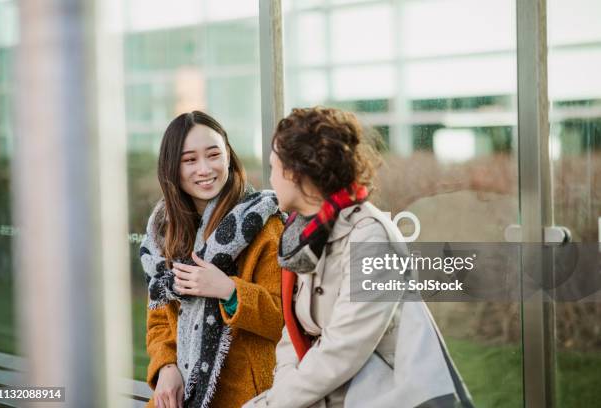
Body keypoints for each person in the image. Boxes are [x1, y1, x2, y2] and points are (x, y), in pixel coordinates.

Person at [244, 107, 470, 408]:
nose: (269, 177)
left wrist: (277, 403)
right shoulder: (304, 235)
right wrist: (282, 394)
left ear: (294, 172)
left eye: (273, 166)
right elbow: (291, 332)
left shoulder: (371, 237)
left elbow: (344, 348)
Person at [140, 110, 284, 408]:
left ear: (228, 157)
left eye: (213, 154)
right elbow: (158, 321)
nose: (204, 169)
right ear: (172, 168)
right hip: (179, 395)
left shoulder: (262, 224)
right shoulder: (164, 231)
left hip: (247, 396)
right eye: (189, 160)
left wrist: (229, 290)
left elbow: (283, 321)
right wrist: (166, 367)